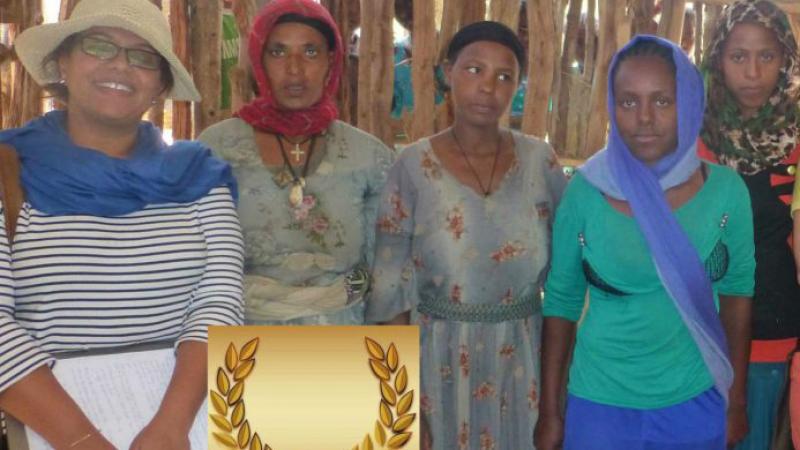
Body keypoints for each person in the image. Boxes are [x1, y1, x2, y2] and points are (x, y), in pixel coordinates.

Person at [0, 0, 244, 448]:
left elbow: (220, 299)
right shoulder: (7, 171)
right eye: (98, 46)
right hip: (50, 422)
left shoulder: (199, 174)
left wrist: (171, 426)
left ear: (160, 85)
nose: (120, 65)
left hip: (190, 417)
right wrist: (82, 441)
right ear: (62, 63)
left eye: (142, 57)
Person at [536, 35, 755, 450]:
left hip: (694, 399)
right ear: (612, 106)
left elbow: (738, 295)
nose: (645, 118)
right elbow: (562, 301)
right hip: (599, 404)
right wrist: (551, 412)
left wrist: (736, 401)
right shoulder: (586, 191)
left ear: (688, 102)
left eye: (662, 101)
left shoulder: (726, 192)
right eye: (628, 101)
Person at [367, 21, 567, 449]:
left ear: (518, 85)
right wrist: (405, 406)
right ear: (446, 72)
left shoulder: (541, 163)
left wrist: (553, 402)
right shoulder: (412, 168)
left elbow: (566, 284)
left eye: (504, 76)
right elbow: (387, 295)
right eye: (474, 70)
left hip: (523, 363)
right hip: (435, 368)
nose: (488, 87)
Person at [198, 0, 393, 326]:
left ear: (331, 62)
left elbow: (390, 269)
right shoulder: (216, 149)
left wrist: (387, 363)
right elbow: (196, 262)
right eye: (277, 52)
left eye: (311, 52)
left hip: (346, 340)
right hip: (242, 341)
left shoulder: (369, 157)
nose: (294, 68)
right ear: (258, 61)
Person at [699, 2, 800, 449]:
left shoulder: (797, 141)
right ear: (718, 58)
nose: (753, 71)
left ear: (787, 60)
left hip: (776, 333)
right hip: (700, 330)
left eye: (767, 55)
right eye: (739, 56)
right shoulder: (694, 136)